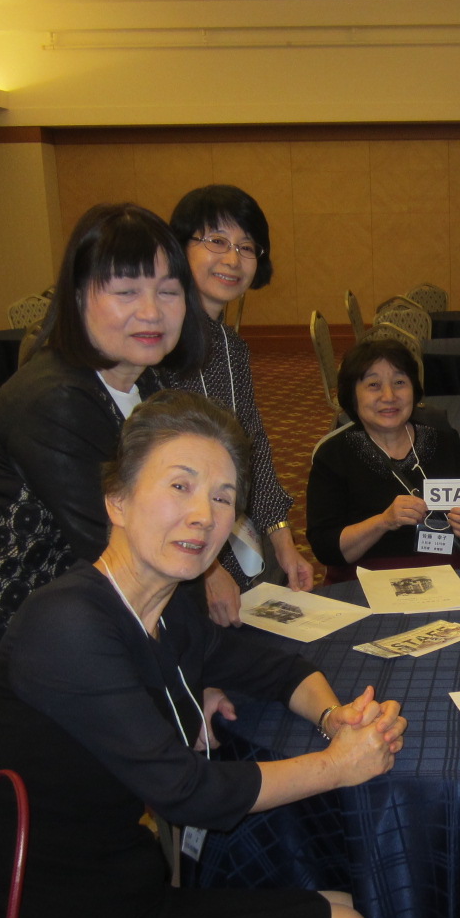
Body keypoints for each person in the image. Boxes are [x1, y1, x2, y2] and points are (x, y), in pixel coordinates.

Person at [0, 391, 407, 918]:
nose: (204, 514)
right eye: (180, 486)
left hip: (126, 905)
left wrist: (334, 717)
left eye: (224, 497)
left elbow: (274, 668)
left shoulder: (165, 610)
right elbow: (188, 791)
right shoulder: (66, 624)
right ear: (117, 501)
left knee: (347, 906)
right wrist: (339, 766)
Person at [0, 202, 205, 843]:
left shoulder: (138, 387)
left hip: (31, 661)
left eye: (168, 290)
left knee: (94, 833)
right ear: (77, 297)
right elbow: (126, 560)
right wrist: (194, 686)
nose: (152, 311)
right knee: (29, 869)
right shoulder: (56, 398)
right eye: (126, 290)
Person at [163, 184, 313, 621]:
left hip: (229, 528)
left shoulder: (232, 347)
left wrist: (283, 538)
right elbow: (153, 474)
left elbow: (253, 446)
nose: (232, 259)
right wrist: (206, 571)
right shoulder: (160, 345)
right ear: (180, 247)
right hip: (176, 546)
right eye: (216, 241)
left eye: (246, 247)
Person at [306, 337, 460, 579]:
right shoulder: (334, 455)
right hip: (365, 577)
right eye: (374, 385)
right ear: (352, 395)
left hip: (445, 572)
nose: (389, 396)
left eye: (399, 382)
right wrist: (384, 521)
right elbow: (326, 548)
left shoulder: (445, 443)